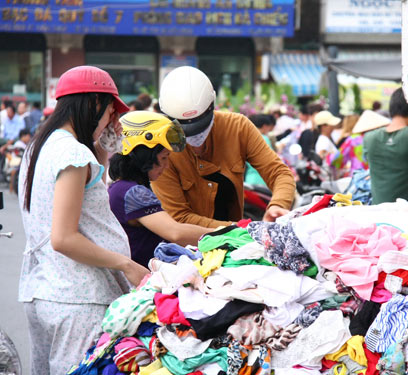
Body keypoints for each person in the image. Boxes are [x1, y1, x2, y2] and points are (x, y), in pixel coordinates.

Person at [18, 65, 149, 375]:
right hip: (78, 300)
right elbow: (63, 238)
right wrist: (126, 265)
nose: (109, 121)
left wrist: (104, 143)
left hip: (44, 292)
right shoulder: (73, 154)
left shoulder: (40, 147)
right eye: (108, 112)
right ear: (93, 103)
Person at [152, 66, 296, 227]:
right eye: (183, 129)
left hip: (234, 242)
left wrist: (277, 205)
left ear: (212, 105)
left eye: (200, 123)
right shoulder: (161, 145)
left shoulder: (238, 127)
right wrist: (239, 230)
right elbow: (179, 217)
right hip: (187, 245)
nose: (195, 136)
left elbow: (279, 173)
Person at [108, 110, 211, 267]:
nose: (167, 165)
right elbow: (175, 232)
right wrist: (225, 234)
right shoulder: (133, 193)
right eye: (164, 157)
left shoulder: (119, 188)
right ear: (143, 154)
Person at [244, 114, 275, 187]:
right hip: (262, 179)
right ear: (265, 126)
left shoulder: (247, 137)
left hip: (249, 178)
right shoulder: (264, 138)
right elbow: (270, 159)